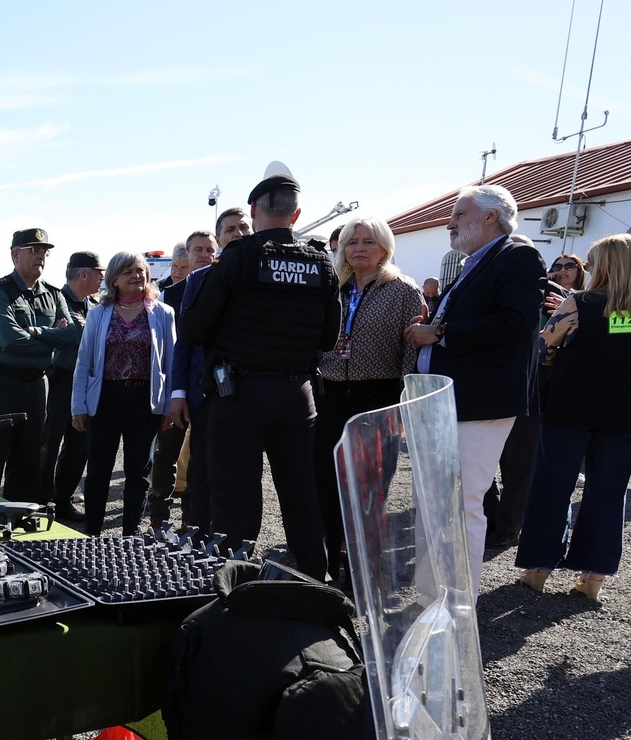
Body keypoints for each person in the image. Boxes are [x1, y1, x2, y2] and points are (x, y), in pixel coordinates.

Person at [178, 175, 340, 580]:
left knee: (234, 496)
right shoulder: (321, 262)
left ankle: (232, 588)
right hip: (296, 392)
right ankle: (315, 580)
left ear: (254, 212)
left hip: (240, 393)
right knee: (301, 492)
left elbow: (194, 328)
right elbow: (329, 337)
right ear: (296, 214)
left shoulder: (238, 257)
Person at [515, 234, 631, 601]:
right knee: (608, 491)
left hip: (572, 407)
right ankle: (593, 577)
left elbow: (543, 348)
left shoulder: (580, 303)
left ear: (603, 265)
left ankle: (539, 568)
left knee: (553, 486)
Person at [404, 184, 547, 590]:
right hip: (448, 401)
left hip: (480, 404)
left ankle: (456, 601)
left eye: (459, 214)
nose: (450, 223)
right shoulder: (474, 264)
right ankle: (429, 593)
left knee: (463, 503)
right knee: (435, 502)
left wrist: (441, 332)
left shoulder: (518, 255)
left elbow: (516, 322)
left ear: (490, 216)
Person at [312, 217, 426, 580]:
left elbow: (411, 353)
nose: (359, 248)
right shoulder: (334, 288)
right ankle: (328, 564)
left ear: (385, 249)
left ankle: (363, 567)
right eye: (352, 242)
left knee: (369, 487)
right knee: (326, 482)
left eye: (368, 242)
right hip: (329, 396)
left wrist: (405, 406)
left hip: (377, 396)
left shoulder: (404, 290)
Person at [72, 253, 176, 535]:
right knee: (98, 471)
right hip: (104, 401)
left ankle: (130, 534)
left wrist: (167, 406)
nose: (137, 276)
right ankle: (92, 532)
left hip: (144, 403)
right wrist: (78, 405)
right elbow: (84, 362)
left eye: (141, 270)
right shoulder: (98, 314)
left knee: (138, 473)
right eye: (128, 271)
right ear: (114, 279)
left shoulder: (163, 314)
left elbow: (170, 364)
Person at [167, 209, 250, 539]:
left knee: (240, 471)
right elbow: (184, 342)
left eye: (244, 227)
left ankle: (235, 540)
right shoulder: (196, 282)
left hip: (247, 392)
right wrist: (178, 393)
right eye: (230, 229)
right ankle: (197, 534)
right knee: (200, 468)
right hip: (203, 392)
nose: (238, 233)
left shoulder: (256, 276)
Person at [0, 228, 77, 500]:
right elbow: (10, 339)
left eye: (44, 252)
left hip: (36, 386)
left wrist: (34, 333)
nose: (41, 256)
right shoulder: (0, 291)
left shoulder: (54, 295)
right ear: (15, 255)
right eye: (34, 250)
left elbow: (74, 336)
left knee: (28, 460)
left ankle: (18, 528)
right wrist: (51, 342)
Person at [150, 231, 214, 529]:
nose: (203, 254)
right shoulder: (169, 296)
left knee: (200, 458)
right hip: (174, 387)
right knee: (166, 454)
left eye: (208, 249)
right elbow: (162, 346)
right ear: (186, 256)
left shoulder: (223, 288)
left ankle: (191, 519)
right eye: (197, 250)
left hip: (207, 391)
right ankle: (159, 518)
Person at [39, 252, 103, 523]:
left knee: (79, 446)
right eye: (99, 272)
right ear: (84, 274)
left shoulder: (94, 305)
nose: (103, 278)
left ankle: (62, 500)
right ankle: (38, 502)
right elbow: (44, 336)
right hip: (58, 380)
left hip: (86, 385)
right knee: (48, 443)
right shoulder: (53, 301)